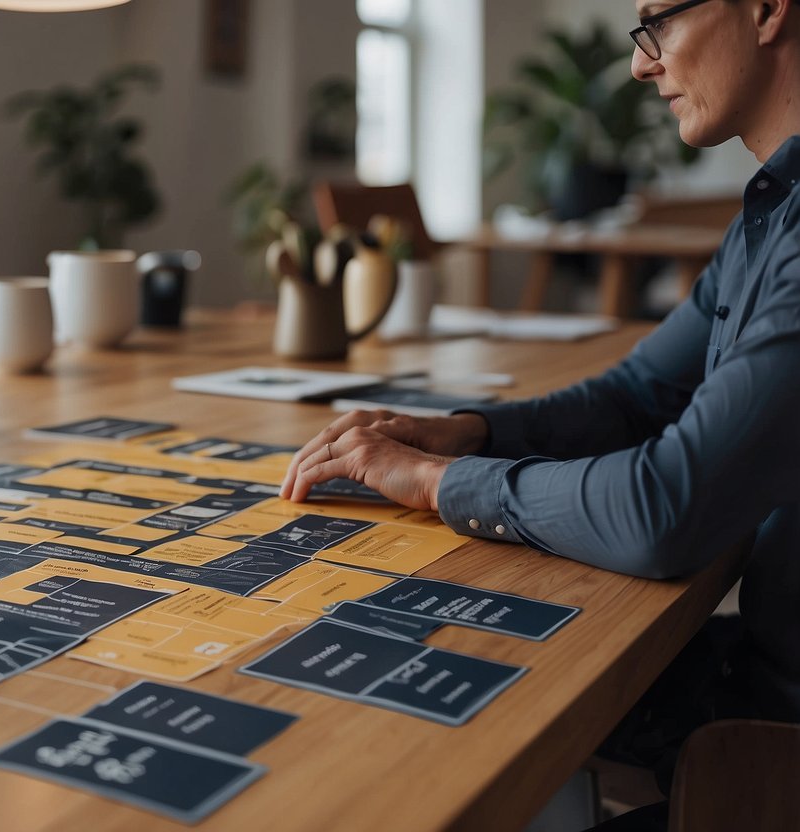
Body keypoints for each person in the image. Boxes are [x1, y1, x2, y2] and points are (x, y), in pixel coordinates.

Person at [283, 0, 800, 824]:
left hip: (775, 759)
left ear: (766, 10)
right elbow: (635, 395)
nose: (641, 63)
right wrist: (465, 430)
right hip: (752, 677)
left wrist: (437, 480)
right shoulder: (769, 215)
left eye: (656, 22)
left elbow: (664, 508)